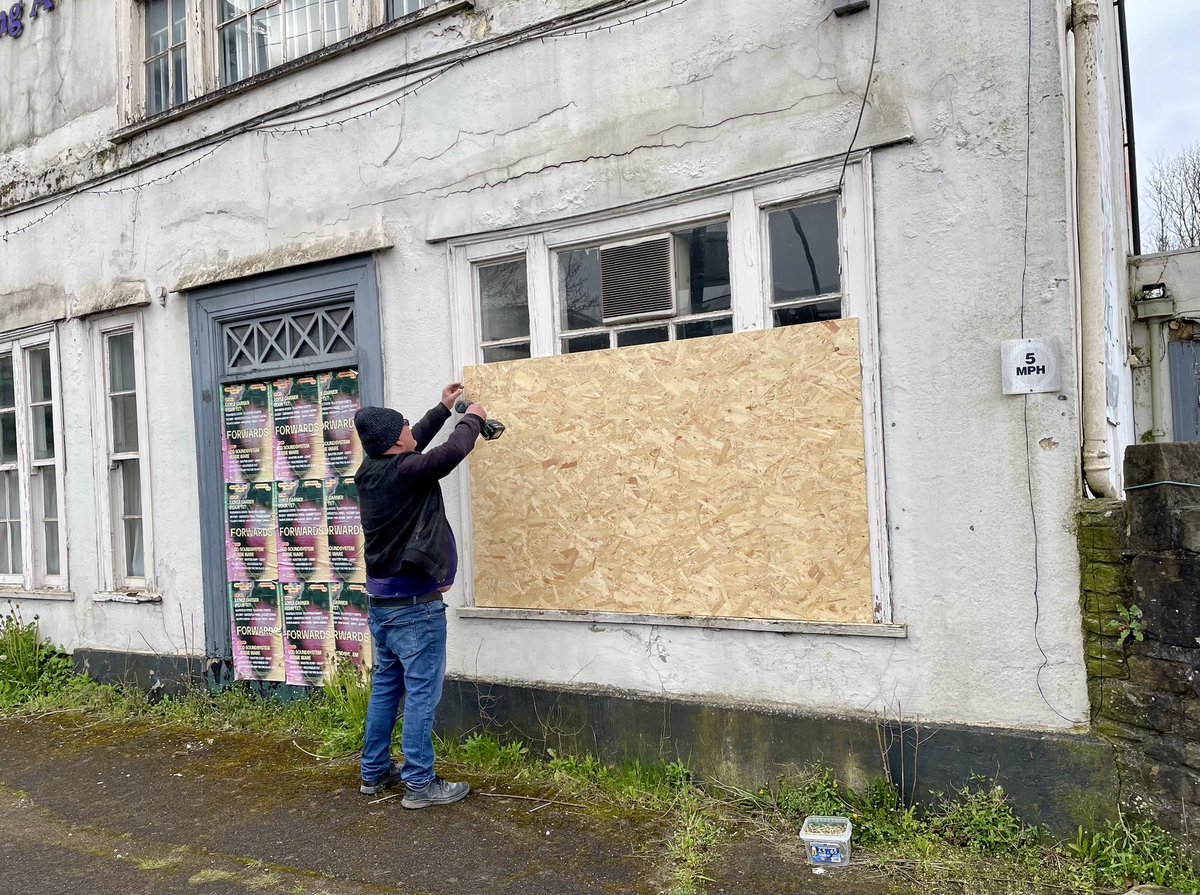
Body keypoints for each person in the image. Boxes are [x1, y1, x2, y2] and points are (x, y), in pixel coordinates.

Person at [352, 382, 487, 808]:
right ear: (395, 440)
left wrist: (442, 409)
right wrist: (473, 419)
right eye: (406, 426)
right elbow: (444, 457)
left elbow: (415, 453)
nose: (412, 428)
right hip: (415, 609)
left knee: (386, 691)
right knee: (421, 696)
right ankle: (419, 784)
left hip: (382, 607)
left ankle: (373, 774)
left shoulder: (371, 470)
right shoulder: (406, 469)